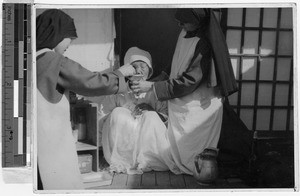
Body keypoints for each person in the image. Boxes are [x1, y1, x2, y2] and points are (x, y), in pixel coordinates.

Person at [36, 9, 135, 190]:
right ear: (56, 34)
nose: (70, 44)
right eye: (69, 38)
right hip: (52, 137)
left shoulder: (30, 59)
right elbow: (90, 82)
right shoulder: (56, 61)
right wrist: (122, 75)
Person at [131, 8, 238, 175]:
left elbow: (190, 80)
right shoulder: (184, 33)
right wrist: (157, 79)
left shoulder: (204, 43)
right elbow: (176, 63)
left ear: (198, 20)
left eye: (184, 22)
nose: (180, 25)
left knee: (193, 149)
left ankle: (196, 170)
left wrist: (152, 87)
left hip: (199, 104)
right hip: (182, 101)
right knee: (180, 146)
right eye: (178, 21)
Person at [100, 47, 179, 175]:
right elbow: (102, 116)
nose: (138, 70)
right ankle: (124, 160)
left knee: (151, 116)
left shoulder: (155, 91)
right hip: (124, 146)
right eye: (134, 66)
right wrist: (125, 114)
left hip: (149, 146)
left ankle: (148, 160)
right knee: (118, 113)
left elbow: (168, 118)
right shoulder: (118, 91)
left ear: (150, 70)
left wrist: (152, 111)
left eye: (143, 66)